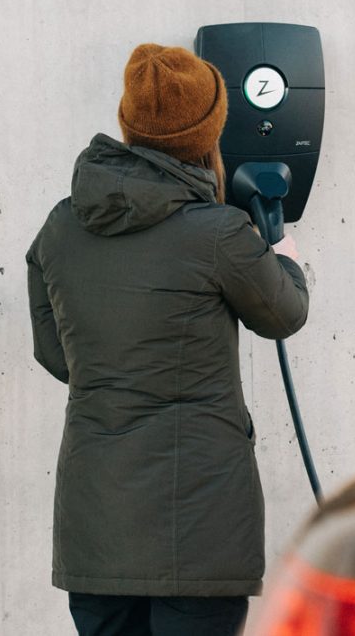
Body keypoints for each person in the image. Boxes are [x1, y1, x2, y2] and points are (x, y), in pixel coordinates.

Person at [26, 43, 309, 636]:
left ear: (129, 125)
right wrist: (283, 257)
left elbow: (59, 355)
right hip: (200, 529)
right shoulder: (219, 233)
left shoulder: (59, 228)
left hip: (97, 527)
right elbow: (284, 315)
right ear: (208, 132)